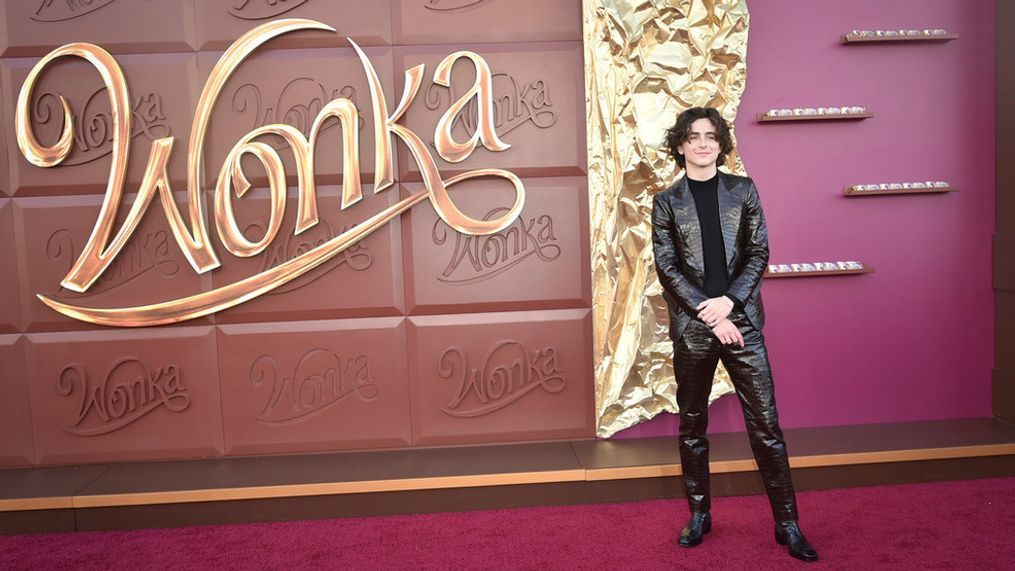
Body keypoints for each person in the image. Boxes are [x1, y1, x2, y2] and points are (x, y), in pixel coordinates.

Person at [650, 107, 819, 563]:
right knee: (692, 427)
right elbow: (668, 269)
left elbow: (759, 250)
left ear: (721, 144)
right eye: (693, 136)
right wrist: (712, 314)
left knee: (766, 426)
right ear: (680, 145)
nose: (702, 143)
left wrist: (730, 304)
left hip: (741, 321)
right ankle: (700, 515)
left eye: (711, 136)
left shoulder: (743, 190)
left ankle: (788, 524)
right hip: (694, 327)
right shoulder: (666, 201)